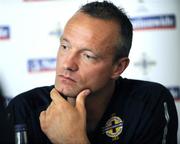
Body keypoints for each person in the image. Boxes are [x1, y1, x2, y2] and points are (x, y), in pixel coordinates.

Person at [6, 1, 178, 144]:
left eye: (87, 56)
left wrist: (74, 141)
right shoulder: (24, 109)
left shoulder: (149, 103)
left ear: (118, 67)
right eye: (65, 47)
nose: (67, 63)